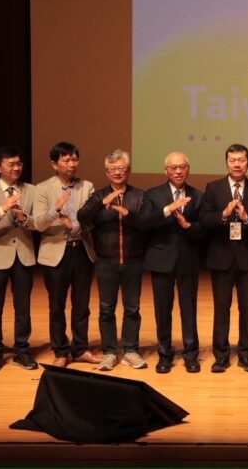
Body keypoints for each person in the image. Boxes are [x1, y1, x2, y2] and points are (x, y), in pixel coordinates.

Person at [77, 149, 149, 371]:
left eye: (121, 168)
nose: (117, 172)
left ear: (128, 170)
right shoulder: (98, 196)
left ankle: (130, 350)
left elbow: (147, 223)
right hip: (106, 261)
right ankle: (109, 351)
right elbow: (82, 217)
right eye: (113, 169)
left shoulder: (139, 196)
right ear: (107, 172)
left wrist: (129, 214)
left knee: (132, 308)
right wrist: (102, 202)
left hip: (133, 260)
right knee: (106, 309)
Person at [200, 143, 248, 373]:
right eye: (232, 160)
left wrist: (246, 217)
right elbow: (204, 221)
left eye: (241, 160)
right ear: (226, 162)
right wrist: (224, 214)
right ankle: (221, 356)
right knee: (221, 309)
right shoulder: (213, 188)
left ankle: (246, 355)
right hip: (221, 257)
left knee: (247, 309)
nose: (237, 164)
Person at [33, 141, 100, 367]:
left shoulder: (87, 186)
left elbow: (93, 219)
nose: (72, 164)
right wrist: (55, 210)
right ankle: (61, 351)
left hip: (81, 251)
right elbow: (38, 224)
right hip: (55, 254)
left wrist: (76, 226)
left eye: (74, 159)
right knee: (56, 305)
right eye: (66, 159)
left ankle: (80, 348)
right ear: (54, 164)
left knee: (81, 305)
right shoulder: (42, 189)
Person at [0, 146, 38, 371]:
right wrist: (2, 209)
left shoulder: (32, 190)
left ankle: (22, 350)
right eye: (11, 164)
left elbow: (39, 223)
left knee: (23, 307)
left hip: (24, 255)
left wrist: (23, 218)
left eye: (19, 164)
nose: (16, 168)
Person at [143, 151, 204, 373]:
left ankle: (191, 354)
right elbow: (144, 222)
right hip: (161, 259)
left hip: (188, 259)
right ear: (165, 170)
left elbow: (204, 229)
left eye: (182, 167)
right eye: (173, 168)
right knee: (162, 311)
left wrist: (189, 226)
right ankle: (164, 354)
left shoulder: (198, 195)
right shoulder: (153, 194)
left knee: (189, 309)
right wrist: (168, 210)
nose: (178, 171)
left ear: (188, 169)